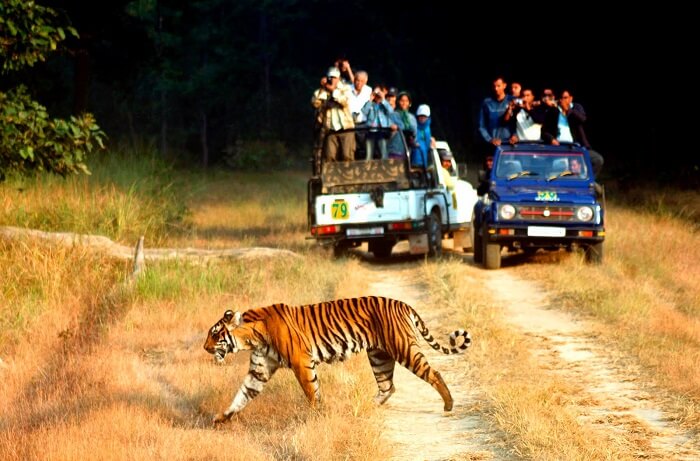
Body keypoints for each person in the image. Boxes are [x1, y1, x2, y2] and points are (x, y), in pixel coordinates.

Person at [311, 66, 355, 165]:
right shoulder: (323, 90)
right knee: (330, 156)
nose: (332, 80)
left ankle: (348, 178)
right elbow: (315, 103)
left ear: (338, 78)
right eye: (330, 77)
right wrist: (323, 88)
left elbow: (345, 102)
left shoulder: (345, 88)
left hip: (346, 128)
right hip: (330, 129)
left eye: (334, 77)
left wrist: (333, 91)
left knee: (347, 155)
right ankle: (332, 179)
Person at [558, 90, 604, 176]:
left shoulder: (576, 107)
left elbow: (582, 119)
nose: (563, 100)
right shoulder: (555, 110)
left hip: (579, 146)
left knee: (598, 160)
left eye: (565, 98)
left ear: (571, 98)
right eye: (561, 98)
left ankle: (589, 182)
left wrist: (568, 110)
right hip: (561, 148)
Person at [477, 76, 513, 161]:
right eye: (494, 86)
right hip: (493, 147)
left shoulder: (512, 100)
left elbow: (518, 123)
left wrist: (515, 135)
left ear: (504, 85)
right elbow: (481, 125)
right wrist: (490, 139)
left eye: (498, 86)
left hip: (510, 145)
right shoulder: (487, 103)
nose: (496, 89)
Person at [360, 85, 395, 160]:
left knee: (383, 153)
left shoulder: (384, 105)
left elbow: (391, 111)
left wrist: (383, 99)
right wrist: (370, 100)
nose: (377, 95)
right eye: (376, 93)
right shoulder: (370, 104)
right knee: (369, 154)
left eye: (379, 93)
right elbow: (364, 111)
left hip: (382, 131)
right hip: (371, 131)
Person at [413, 104, 432, 168]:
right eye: (420, 116)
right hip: (414, 158)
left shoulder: (428, 128)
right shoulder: (413, 126)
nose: (422, 118)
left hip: (425, 159)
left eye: (424, 116)